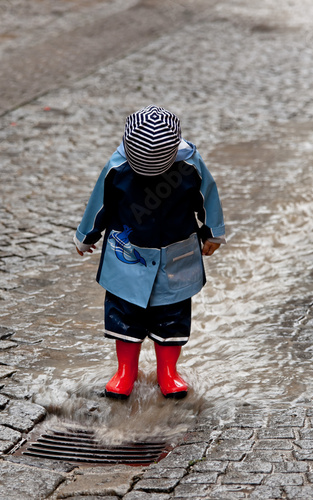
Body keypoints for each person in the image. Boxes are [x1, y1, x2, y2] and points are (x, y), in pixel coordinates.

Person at [74, 105, 225, 400]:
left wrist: (212, 232)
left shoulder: (191, 165)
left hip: (176, 254)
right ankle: (125, 371)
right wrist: (87, 236)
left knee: (172, 315)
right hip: (127, 255)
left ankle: (168, 372)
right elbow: (99, 204)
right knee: (123, 314)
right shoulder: (117, 167)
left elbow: (208, 197)